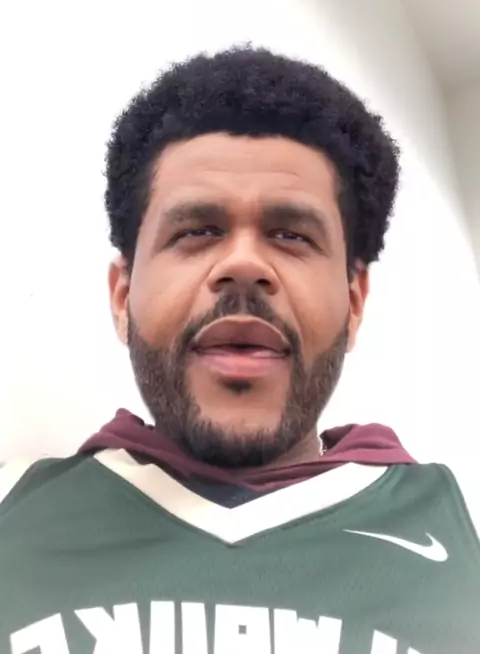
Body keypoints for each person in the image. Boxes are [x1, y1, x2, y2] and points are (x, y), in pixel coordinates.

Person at [0, 47, 478, 654]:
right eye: (197, 231)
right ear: (122, 296)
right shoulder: (12, 508)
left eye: (291, 235)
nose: (245, 264)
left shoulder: (462, 534)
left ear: (354, 301)